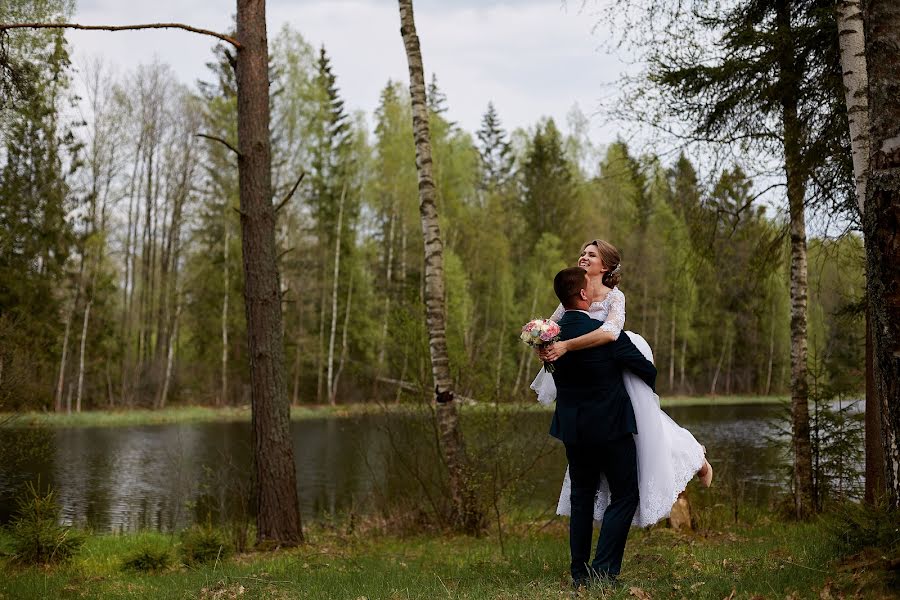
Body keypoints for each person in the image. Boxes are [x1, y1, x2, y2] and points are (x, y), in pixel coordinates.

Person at [532, 240, 712, 531]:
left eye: (591, 254)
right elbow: (550, 330)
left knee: (646, 429)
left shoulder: (615, 297)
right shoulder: (573, 294)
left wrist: (565, 346)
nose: (583, 257)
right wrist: (541, 345)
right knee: (603, 460)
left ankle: (695, 459)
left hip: (615, 366)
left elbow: (610, 332)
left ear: (605, 266)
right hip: (585, 382)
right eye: (582, 253)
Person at [547, 266, 659, 586]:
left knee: (582, 497)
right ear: (583, 295)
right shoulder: (606, 336)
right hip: (611, 428)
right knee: (624, 495)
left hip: (574, 430)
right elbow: (646, 371)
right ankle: (604, 570)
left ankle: (579, 574)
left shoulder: (549, 342)